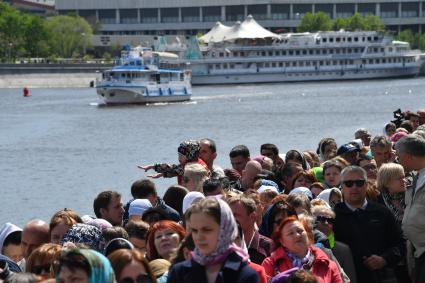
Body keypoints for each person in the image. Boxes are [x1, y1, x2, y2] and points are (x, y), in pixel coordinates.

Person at [333, 166, 404, 283]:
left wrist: (384, 259)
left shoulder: (382, 212)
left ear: (366, 185)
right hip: (349, 277)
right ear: (342, 187)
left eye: (359, 183)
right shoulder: (333, 216)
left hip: (383, 276)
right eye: (349, 183)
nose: (354, 187)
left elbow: (399, 243)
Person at [167, 197, 259, 283]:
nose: (199, 237)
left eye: (206, 230)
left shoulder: (245, 275)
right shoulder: (179, 272)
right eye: (194, 230)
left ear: (225, 229)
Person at [261, 216, 343, 282]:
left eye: (300, 231)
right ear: (282, 241)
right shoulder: (271, 264)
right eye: (290, 233)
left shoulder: (327, 264)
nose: (297, 235)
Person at [395, 135, 425, 283]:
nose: (397, 159)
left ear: (407, 156)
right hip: (418, 253)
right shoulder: (417, 176)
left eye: (398, 155)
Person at [376, 163, 410, 283]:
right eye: (399, 178)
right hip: (393, 255)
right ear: (386, 182)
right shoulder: (378, 203)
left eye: (403, 176)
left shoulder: (410, 196)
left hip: (413, 250)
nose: (404, 180)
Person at [311, 205, 357, 283]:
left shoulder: (343, 250)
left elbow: (351, 279)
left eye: (330, 220)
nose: (326, 223)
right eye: (322, 219)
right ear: (312, 221)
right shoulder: (304, 247)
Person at [228, 195, 273, 265]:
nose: (229, 219)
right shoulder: (222, 245)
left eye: (235, 215)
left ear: (252, 217)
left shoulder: (268, 247)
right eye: (228, 215)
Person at [139, 140, 207, 185]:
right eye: (179, 155)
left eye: (182, 156)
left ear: (191, 155)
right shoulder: (193, 162)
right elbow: (175, 169)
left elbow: (175, 170)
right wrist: (160, 171)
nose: (179, 158)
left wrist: (155, 168)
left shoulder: (195, 167)